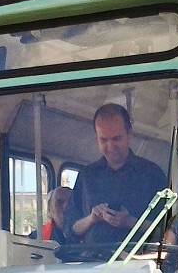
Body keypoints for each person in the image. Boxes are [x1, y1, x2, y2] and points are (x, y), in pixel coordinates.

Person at [62, 103, 167, 246]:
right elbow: (70, 230)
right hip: (92, 264)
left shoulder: (152, 174)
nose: (110, 146)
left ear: (130, 135)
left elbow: (168, 230)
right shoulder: (86, 176)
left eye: (116, 139)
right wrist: (92, 218)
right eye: (104, 140)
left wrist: (130, 222)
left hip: (137, 264)